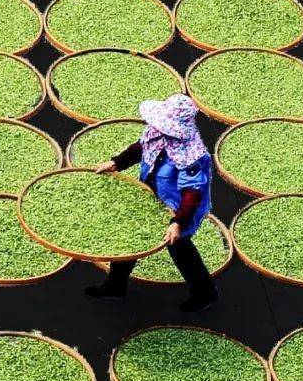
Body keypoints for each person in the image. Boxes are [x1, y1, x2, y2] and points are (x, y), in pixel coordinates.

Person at [87, 92, 218, 312]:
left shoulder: (191, 155)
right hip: (149, 198)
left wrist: (178, 222)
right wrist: (116, 162)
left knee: (180, 249)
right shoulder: (157, 134)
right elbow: (141, 147)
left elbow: (192, 194)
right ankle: (115, 286)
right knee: (130, 240)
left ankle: (205, 294)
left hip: (177, 208)